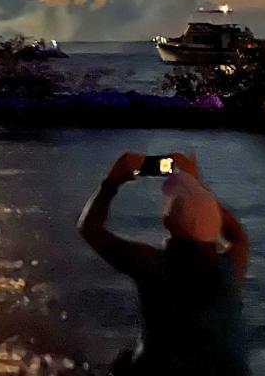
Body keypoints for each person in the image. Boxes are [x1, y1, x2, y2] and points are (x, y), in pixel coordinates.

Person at [77, 152, 250, 375]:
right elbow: (238, 236)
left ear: (167, 220)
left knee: (124, 363)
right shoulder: (231, 267)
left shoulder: (151, 265)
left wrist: (111, 182)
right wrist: (196, 186)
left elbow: (89, 228)